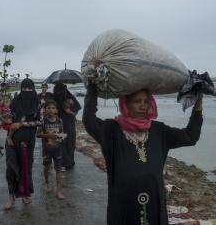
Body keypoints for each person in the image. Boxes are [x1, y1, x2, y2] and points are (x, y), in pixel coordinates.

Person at [82, 82, 203, 225]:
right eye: (137, 101)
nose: (143, 105)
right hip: (123, 205)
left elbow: (190, 136)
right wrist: (92, 88)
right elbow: (89, 120)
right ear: (126, 104)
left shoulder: (159, 131)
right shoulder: (111, 130)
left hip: (154, 203)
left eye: (146, 101)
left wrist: (198, 105)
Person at [3, 78, 40, 210]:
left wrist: (22, 124)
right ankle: (11, 197)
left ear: (34, 89)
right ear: (21, 89)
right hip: (12, 140)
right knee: (11, 168)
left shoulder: (37, 104)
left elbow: (40, 122)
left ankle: (26, 194)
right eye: (24, 88)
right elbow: (7, 121)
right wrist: (2, 115)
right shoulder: (14, 103)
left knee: (26, 168)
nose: (27, 91)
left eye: (30, 88)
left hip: (28, 142)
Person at [37, 99, 66, 200]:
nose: (50, 110)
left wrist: (58, 137)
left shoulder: (60, 121)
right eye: (48, 108)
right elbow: (38, 134)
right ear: (45, 110)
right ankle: (47, 182)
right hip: (47, 150)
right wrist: (48, 135)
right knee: (46, 167)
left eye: (53, 108)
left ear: (56, 110)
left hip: (58, 149)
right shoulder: (43, 122)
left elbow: (63, 135)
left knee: (58, 170)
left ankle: (59, 191)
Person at [53, 83, 81, 170]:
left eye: (60, 90)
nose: (58, 92)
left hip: (69, 124)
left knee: (69, 142)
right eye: (57, 90)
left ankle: (69, 162)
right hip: (58, 125)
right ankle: (61, 162)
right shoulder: (54, 98)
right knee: (60, 143)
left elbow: (76, 109)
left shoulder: (71, 98)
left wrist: (69, 111)